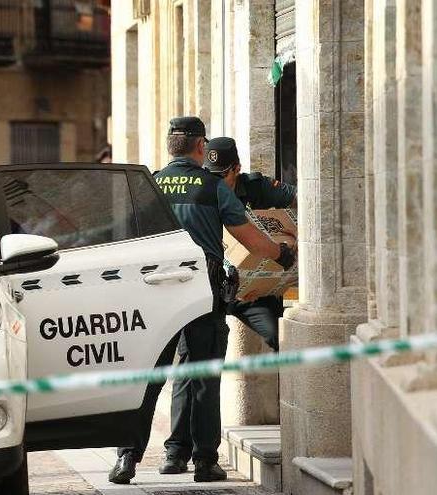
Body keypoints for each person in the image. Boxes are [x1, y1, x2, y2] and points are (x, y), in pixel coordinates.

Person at [108, 117, 296, 485]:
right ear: (199, 147)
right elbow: (250, 239)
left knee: (148, 380)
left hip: (153, 294)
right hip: (199, 292)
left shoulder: (150, 183)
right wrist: (282, 254)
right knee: (204, 378)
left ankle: (126, 461)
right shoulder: (213, 187)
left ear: (169, 147)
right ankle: (205, 463)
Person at [203, 137, 296, 351]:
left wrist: (298, 231)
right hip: (220, 287)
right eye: (211, 175)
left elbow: (300, 197)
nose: (215, 181)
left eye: (221, 175)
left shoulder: (255, 186)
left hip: (258, 290)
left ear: (236, 169)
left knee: (278, 335)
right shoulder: (203, 191)